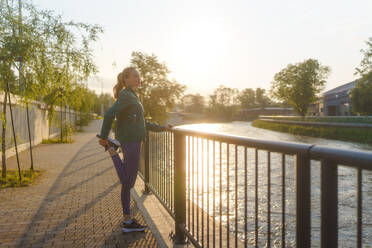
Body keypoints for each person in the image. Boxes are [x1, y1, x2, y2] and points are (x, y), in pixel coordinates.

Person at [98, 66, 171, 233]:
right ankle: (112, 149)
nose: (139, 78)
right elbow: (109, 114)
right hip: (131, 142)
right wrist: (103, 136)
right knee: (128, 182)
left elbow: (142, 123)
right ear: (126, 79)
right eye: (135, 75)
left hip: (132, 140)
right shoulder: (127, 96)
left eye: (139, 75)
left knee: (126, 184)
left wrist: (161, 128)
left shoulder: (132, 96)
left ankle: (127, 220)